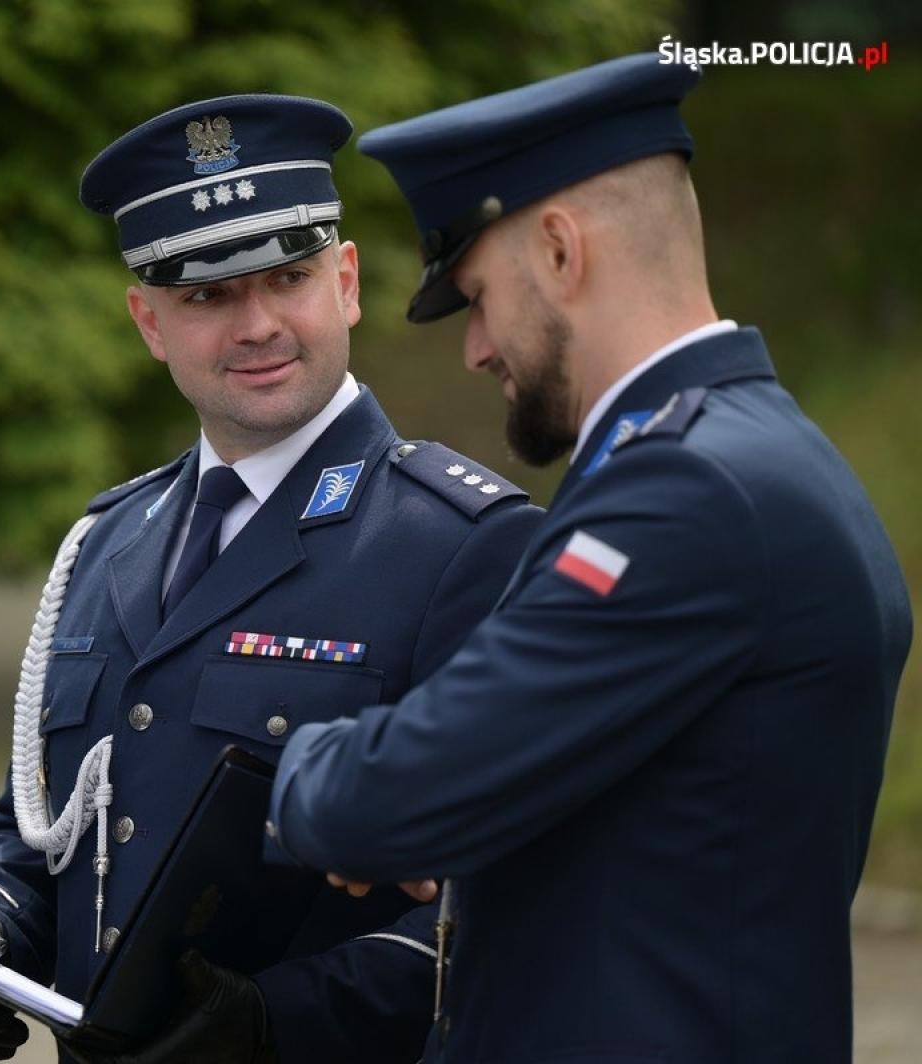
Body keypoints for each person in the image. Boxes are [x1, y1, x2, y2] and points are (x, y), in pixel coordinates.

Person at [267, 53, 913, 1063]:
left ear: (561, 251)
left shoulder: (685, 498)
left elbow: (386, 797)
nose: (475, 348)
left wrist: (308, 768)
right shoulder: (765, 453)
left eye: (476, 296)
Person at [0, 94, 544, 1064]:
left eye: (286, 277)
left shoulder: (459, 543)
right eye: (206, 295)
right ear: (148, 321)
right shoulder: (106, 538)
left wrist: (279, 1019)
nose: (255, 325)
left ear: (346, 281)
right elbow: (39, 813)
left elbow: (514, 890)